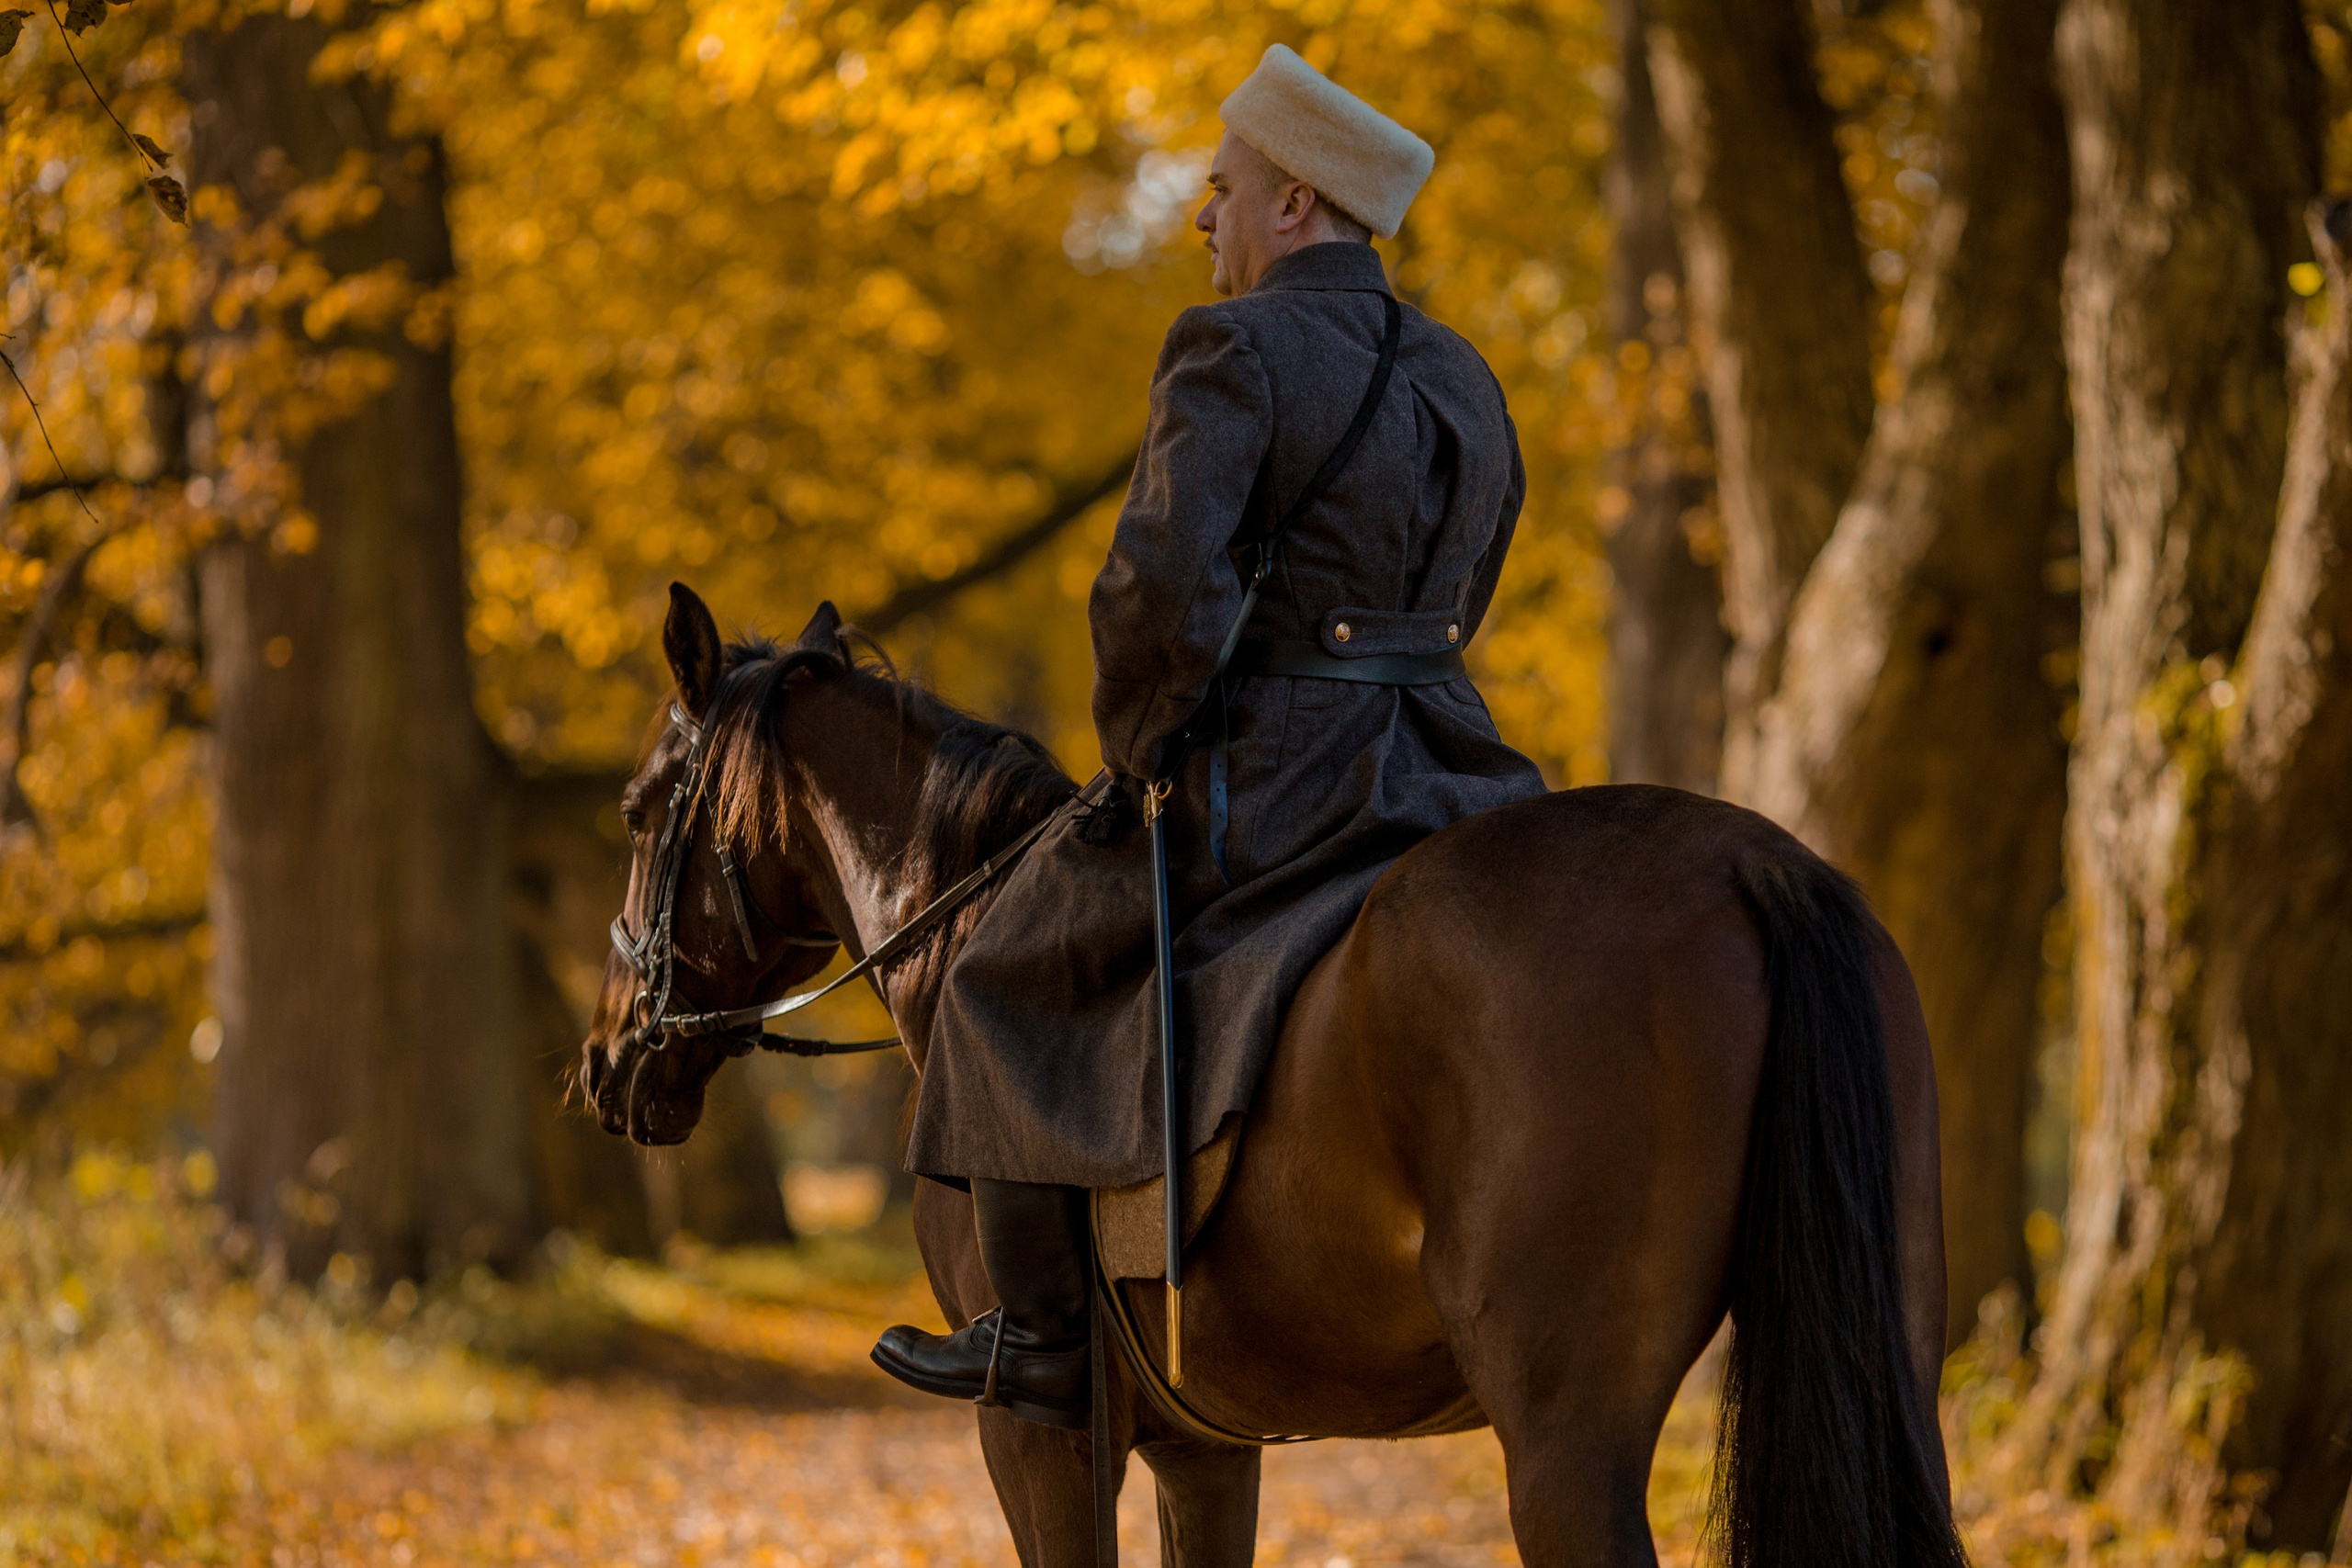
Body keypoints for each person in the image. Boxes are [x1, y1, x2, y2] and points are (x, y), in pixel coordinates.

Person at [870, 44, 1549, 1427]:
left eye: (1222, 188)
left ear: (1294, 204)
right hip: (1459, 770)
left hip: (1279, 784)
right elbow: (1469, 585)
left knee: (1000, 976)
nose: (1202, 216)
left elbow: (1157, 593)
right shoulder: (1462, 372)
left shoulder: (1231, 345)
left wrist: (1137, 754)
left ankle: (1042, 1339)